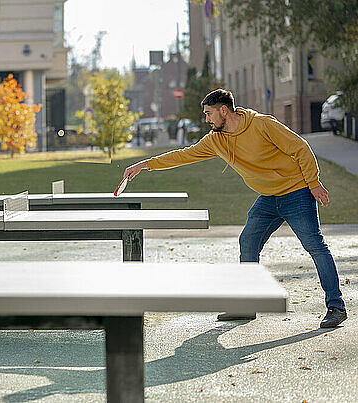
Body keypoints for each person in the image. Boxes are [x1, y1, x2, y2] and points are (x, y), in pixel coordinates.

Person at [122, 89, 347, 328]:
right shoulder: (215, 140)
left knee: (314, 245)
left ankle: (336, 306)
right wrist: (145, 164)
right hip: (269, 198)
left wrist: (313, 183)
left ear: (223, 110)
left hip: (296, 192)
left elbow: (300, 148)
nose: (206, 119)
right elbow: (183, 155)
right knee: (248, 242)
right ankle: (246, 305)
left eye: (209, 113)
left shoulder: (262, 124)